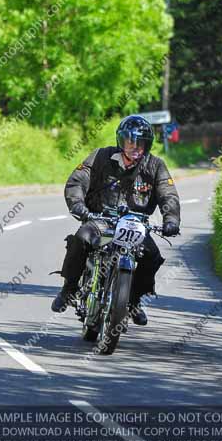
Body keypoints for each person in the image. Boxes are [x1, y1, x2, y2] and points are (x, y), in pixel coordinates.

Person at [51, 115, 181, 326]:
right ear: (121, 141)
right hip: (101, 219)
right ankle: (69, 288)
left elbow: (169, 195)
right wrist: (78, 205)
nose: (135, 147)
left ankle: (134, 301)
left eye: (140, 143)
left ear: (148, 145)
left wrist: (171, 220)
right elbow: (77, 181)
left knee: (152, 256)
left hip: (135, 224)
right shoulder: (101, 156)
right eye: (130, 141)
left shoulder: (156, 165)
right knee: (81, 239)